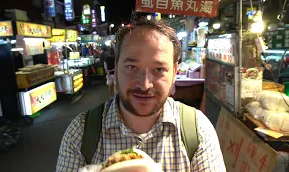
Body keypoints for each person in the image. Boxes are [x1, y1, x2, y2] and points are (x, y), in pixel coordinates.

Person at [56, 17, 226, 171]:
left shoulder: (198, 130)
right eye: (132, 67)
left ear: (174, 72)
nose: (145, 85)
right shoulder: (81, 132)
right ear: (116, 67)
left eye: (159, 69)